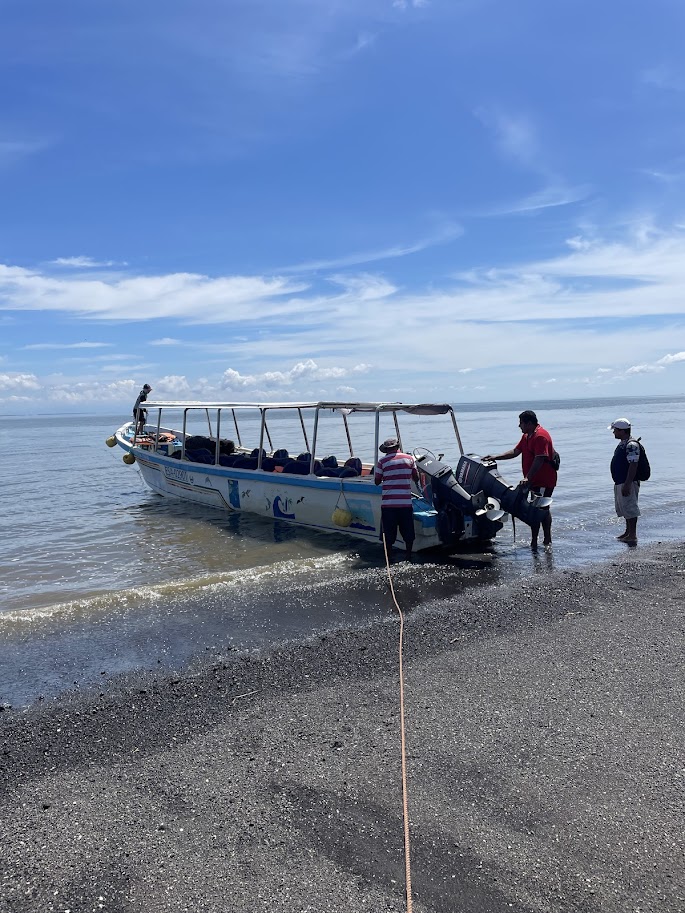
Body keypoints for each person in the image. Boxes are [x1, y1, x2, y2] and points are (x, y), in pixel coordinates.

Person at [483, 409, 557, 548]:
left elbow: (539, 459)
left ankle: (546, 539)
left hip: (544, 480)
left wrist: (527, 477)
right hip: (533, 481)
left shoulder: (540, 436)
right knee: (534, 508)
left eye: (521, 423)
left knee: (541, 508)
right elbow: (515, 452)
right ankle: (536, 540)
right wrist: (496, 457)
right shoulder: (527, 436)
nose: (519, 426)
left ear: (529, 423)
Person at [374, 437, 419, 559]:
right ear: (397, 447)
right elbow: (416, 478)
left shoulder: (382, 462)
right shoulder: (410, 459)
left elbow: (377, 481)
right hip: (405, 503)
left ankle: (389, 557)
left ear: (386, 450)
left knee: (388, 533)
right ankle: (408, 556)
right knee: (408, 532)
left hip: (389, 504)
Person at [609, 417, 640, 545]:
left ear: (622, 431)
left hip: (628, 482)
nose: (613, 432)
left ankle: (632, 534)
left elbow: (633, 465)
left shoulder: (631, 445)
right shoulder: (623, 443)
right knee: (625, 507)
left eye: (615, 430)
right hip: (621, 480)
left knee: (630, 507)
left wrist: (627, 483)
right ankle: (628, 532)